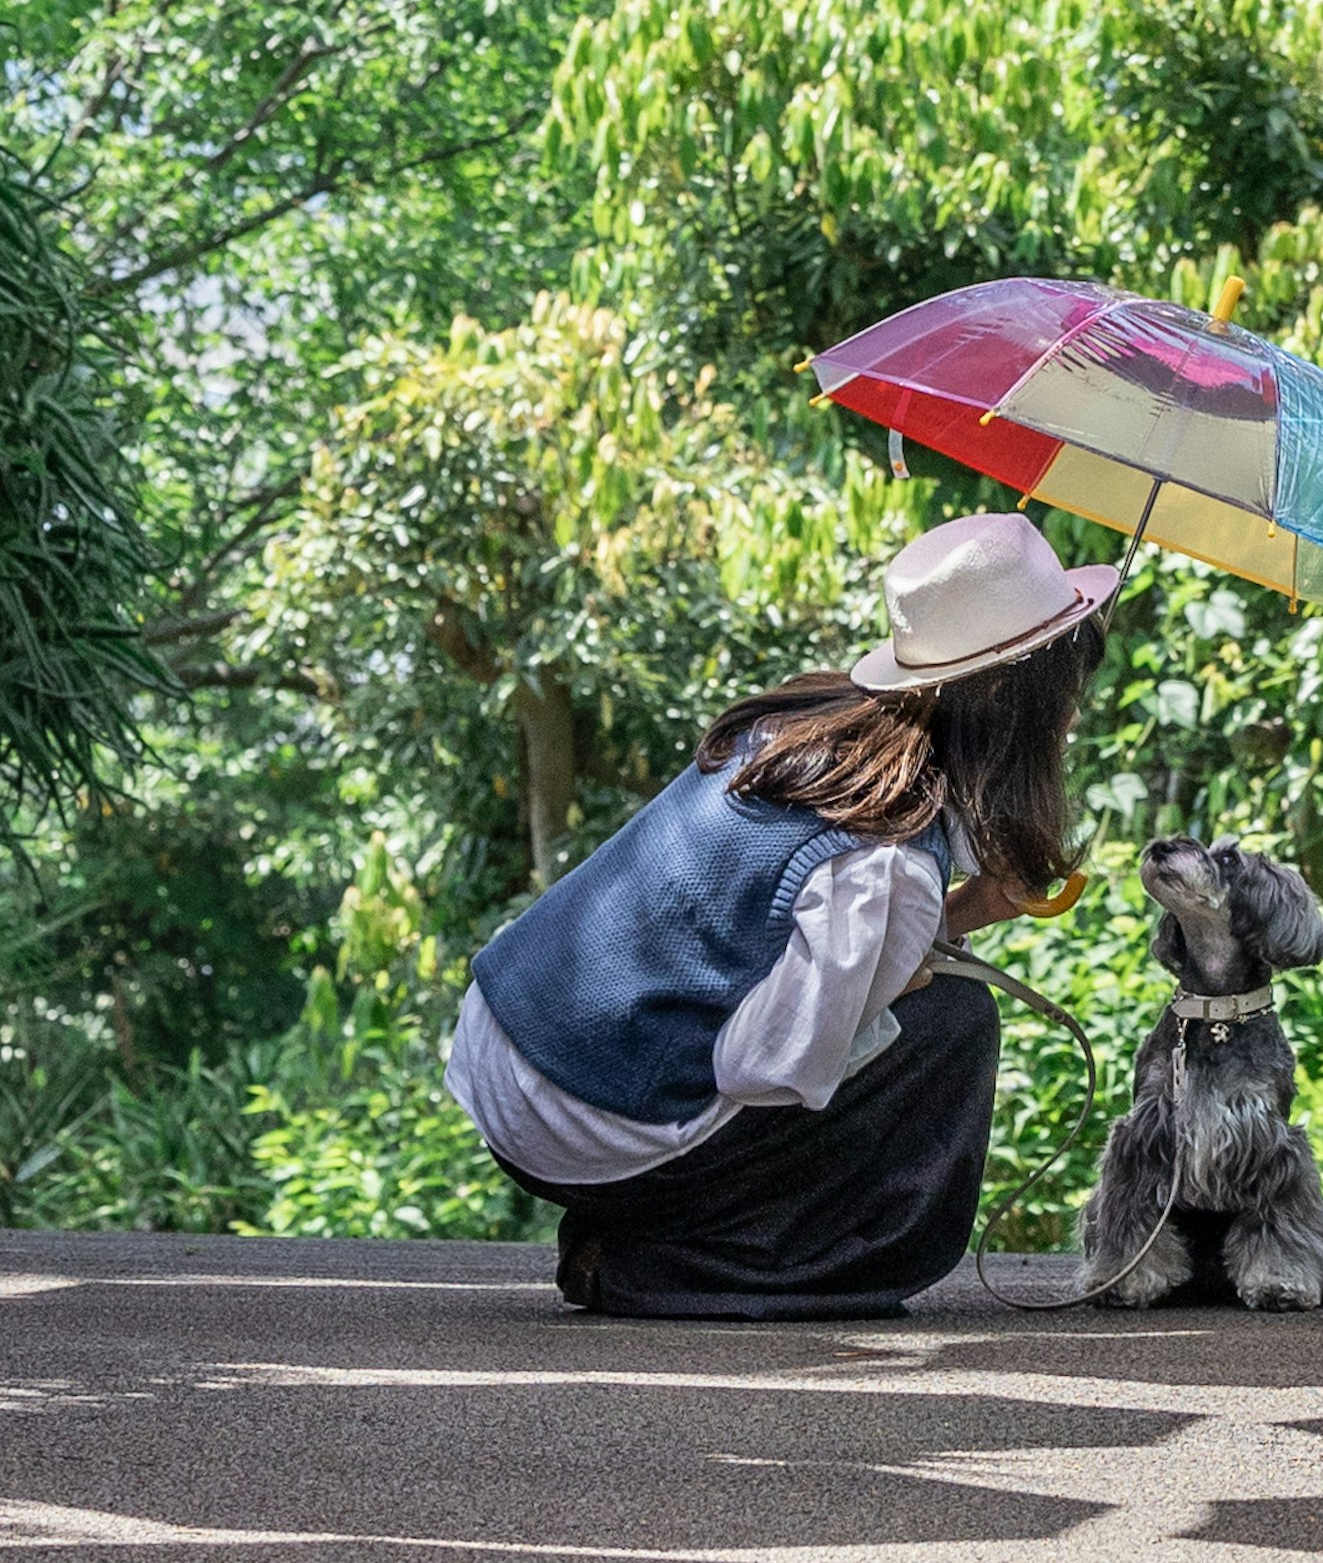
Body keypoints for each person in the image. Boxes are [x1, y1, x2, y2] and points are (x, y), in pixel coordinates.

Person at [445, 510, 1113, 1319]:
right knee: (951, 1023)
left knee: (917, 1010)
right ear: (1020, 703)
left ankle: (655, 1225)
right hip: (579, 1115)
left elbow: (777, 940)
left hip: (504, 1049)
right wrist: (895, 986)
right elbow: (766, 1065)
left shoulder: (812, 726)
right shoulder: (890, 852)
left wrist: (964, 910)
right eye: (1068, 698)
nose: (1073, 721)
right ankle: (692, 1265)